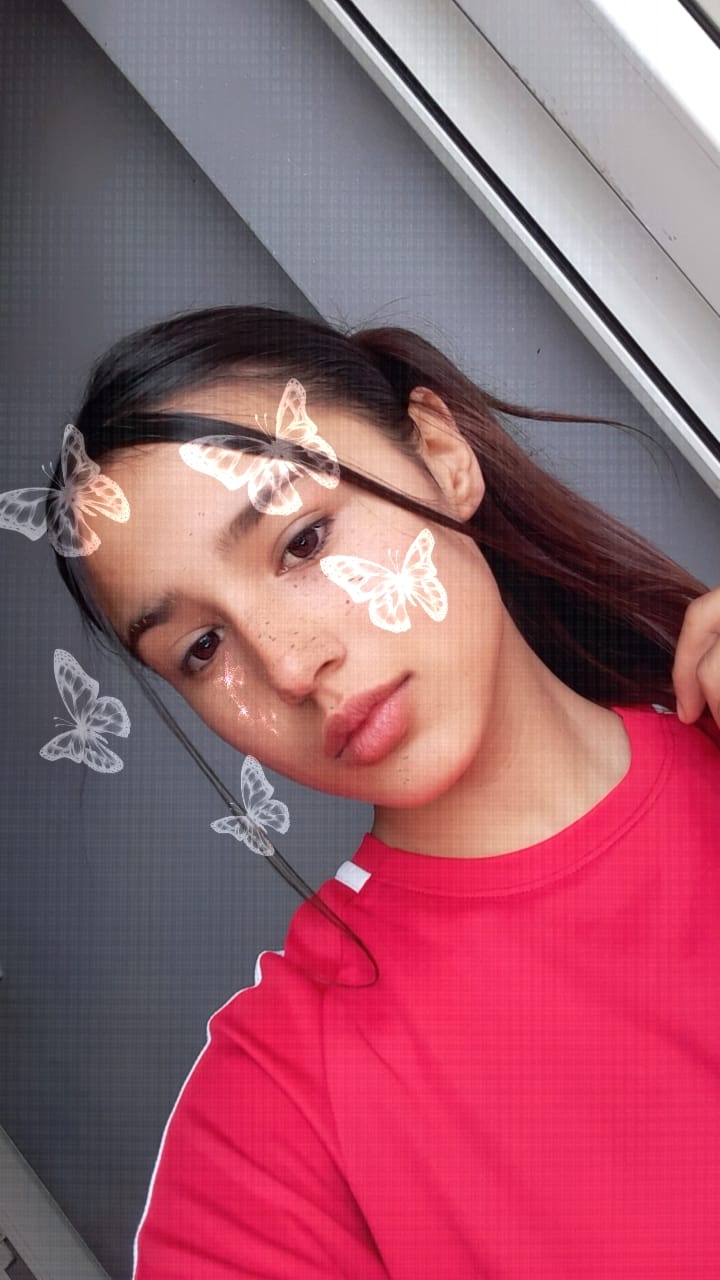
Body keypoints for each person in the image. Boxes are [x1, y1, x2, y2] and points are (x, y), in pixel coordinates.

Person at [52, 306, 720, 1278]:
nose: (290, 665)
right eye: (202, 648)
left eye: (303, 540)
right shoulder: (273, 1123)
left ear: (442, 456)